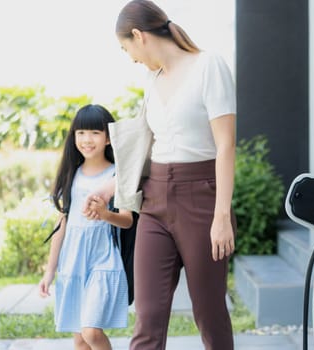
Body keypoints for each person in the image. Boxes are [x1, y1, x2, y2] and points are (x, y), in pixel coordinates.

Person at [84, 1, 237, 349]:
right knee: (148, 315)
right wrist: (108, 189)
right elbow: (146, 150)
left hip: (202, 198)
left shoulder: (208, 66)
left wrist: (222, 215)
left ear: (139, 36)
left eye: (127, 48)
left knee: (209, 313)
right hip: (154, 203)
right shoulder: (152, 80)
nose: (132, 58)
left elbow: (226, 146)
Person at [38, 104, 133, 350]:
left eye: (94, 133)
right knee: (79, 339)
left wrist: (104, 214)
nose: (86, 139)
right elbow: (62, 225)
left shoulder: (118, 175)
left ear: (109, 138)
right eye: (80, 133)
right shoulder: (71, 174)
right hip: (72, 261)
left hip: (103, 259)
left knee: (91, 331)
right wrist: (50, 271)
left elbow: (127, 219)